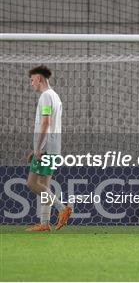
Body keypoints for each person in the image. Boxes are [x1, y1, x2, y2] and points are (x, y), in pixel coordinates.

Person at [25, 65, 72, 232]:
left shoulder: (45, 96)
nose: (31, 84)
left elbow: (46, 123)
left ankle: (62, 209)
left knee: (32, 183)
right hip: (53, 147)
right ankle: (45, 223)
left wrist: (38, 148)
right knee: (45, 184)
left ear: (39, 79)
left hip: (45, 149)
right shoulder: (56, 97)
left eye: (32, 80)